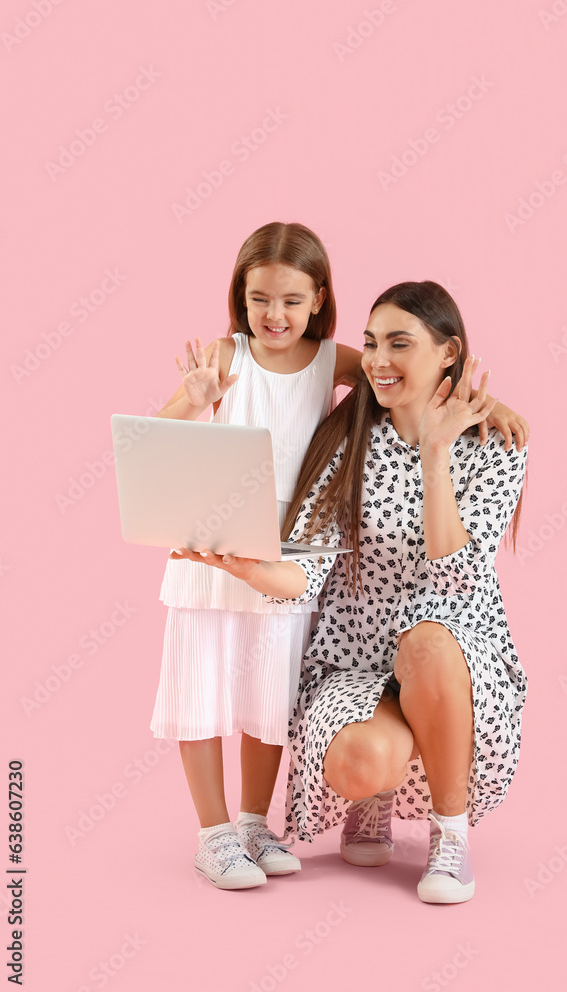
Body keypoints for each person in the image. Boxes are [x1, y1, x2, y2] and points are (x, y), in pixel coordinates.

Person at [175, 280, 528, 903]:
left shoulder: (494, 445)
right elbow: (305, 572)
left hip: (456, 655)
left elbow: (455, 577)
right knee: (361, 762)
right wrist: (247, 567)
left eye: (400, 343)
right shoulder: (346, 439)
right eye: (369, 343)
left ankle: (450, 836)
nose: (378, 360)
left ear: (448, 353)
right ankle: (375, 796)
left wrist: (437, 451)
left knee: (428, 641)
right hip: (356, 656)